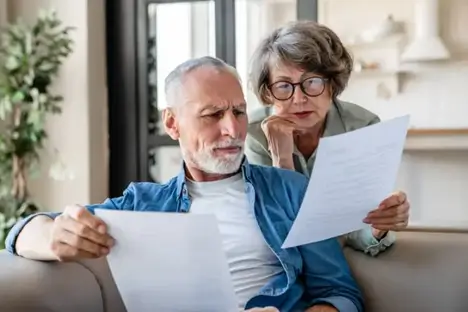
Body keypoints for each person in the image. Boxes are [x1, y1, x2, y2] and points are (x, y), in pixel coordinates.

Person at [5, 56, 363, 312]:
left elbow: (340, 293)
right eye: (212, 115)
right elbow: (20, 232)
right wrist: (53, 236)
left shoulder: (289, 190)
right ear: (173, 124)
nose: (233, 130)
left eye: (239, 111)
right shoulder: (143, 205)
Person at [245, 20, 410, 257]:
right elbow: (275, 228)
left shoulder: (362, 128)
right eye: (283, 86)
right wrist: (282, 159)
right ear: (268, 92)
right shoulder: (254, 133)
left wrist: (378, 227)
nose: (299, 99)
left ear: (332, 84)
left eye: (312, 82)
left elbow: (353, 226)